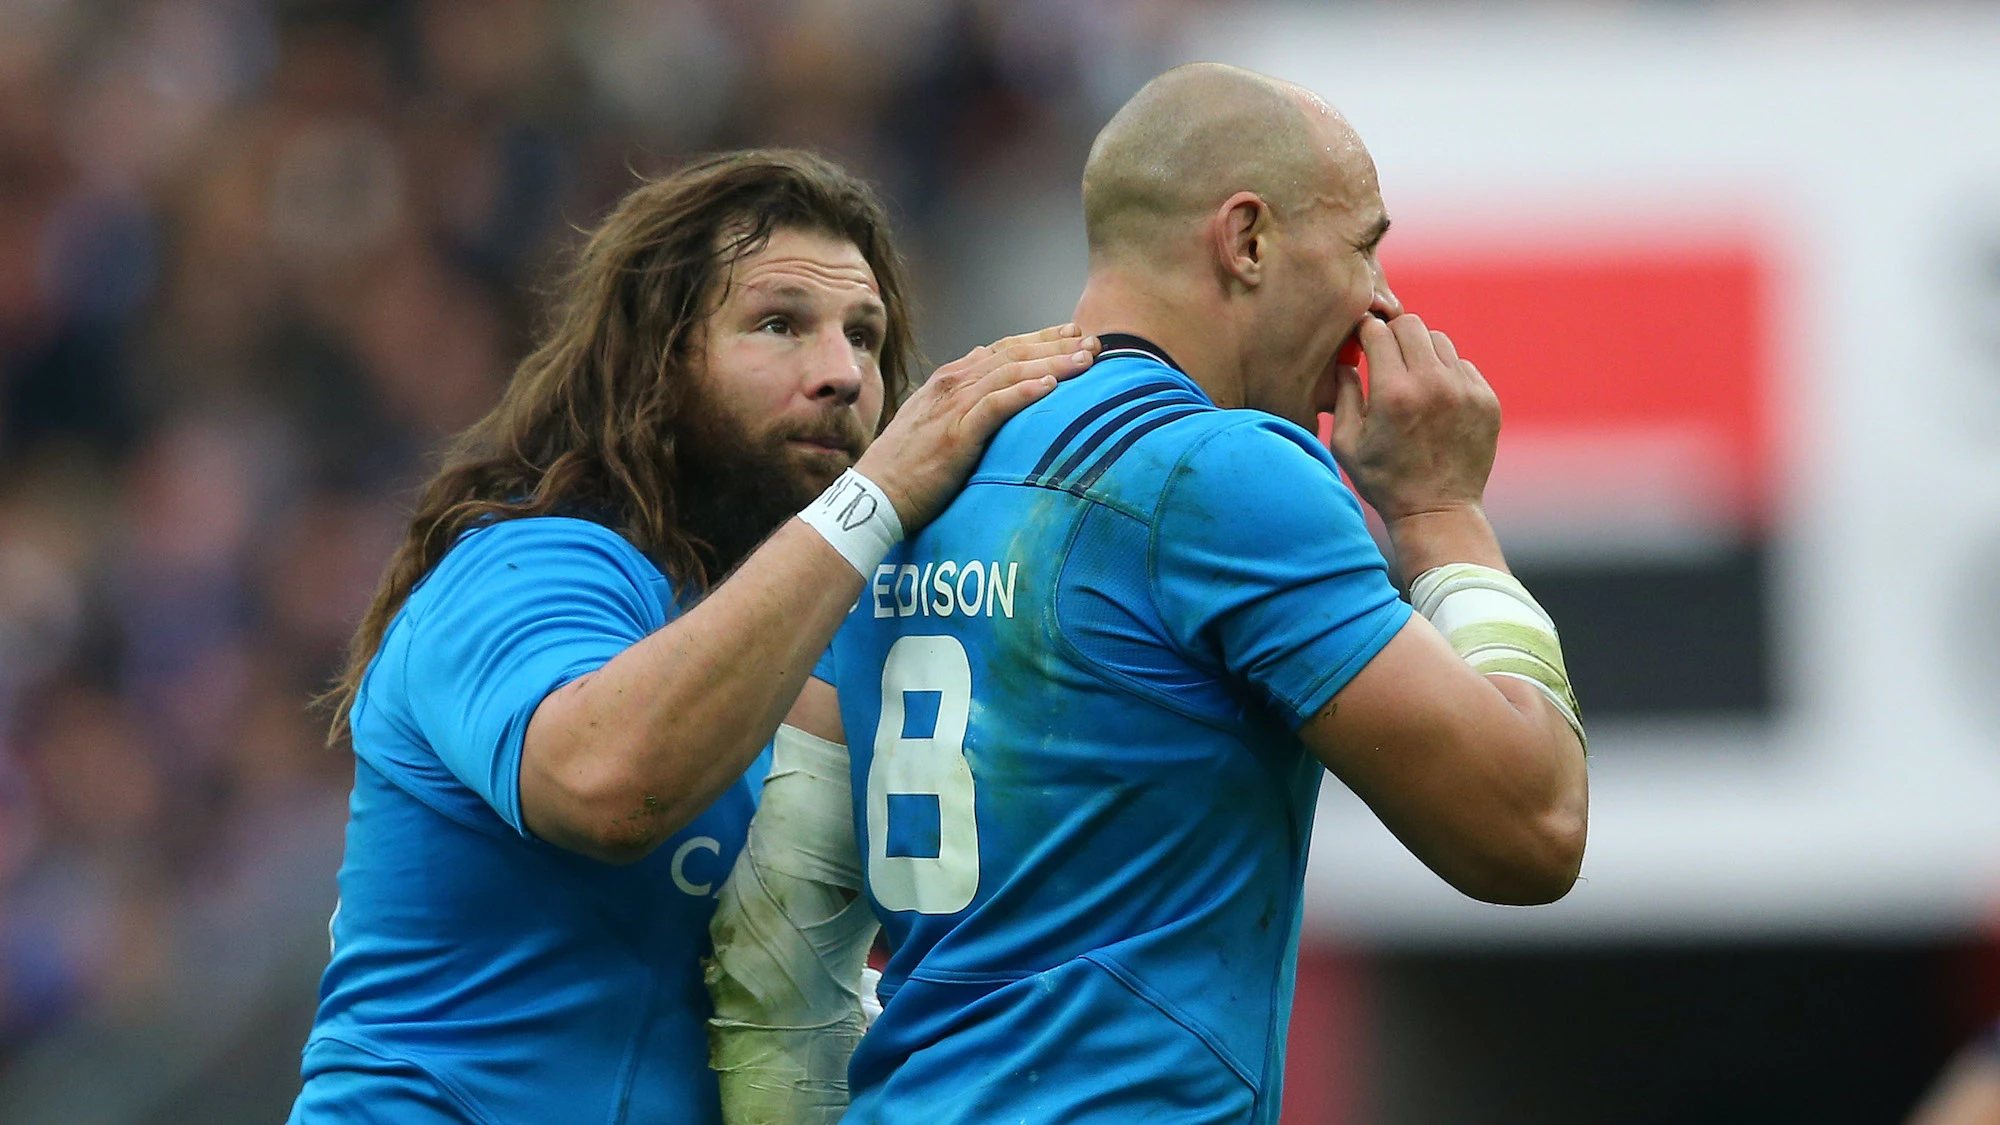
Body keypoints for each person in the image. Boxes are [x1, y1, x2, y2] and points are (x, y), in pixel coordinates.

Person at [705, 64, 1590, 1123]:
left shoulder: (922, 465)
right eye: (1362, 247)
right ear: (1246, 240)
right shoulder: (1220, 473)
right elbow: (1530, 829)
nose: (1381, 301)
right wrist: (1441, 514)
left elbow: (778, 939)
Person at [286, 148, 1098, 1124]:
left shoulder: (824, 637)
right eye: (778, 325)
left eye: (865, 337)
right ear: (660, 360)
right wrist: (870, 496)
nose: (841, 373)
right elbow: (607, 780)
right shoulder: (522, 571)